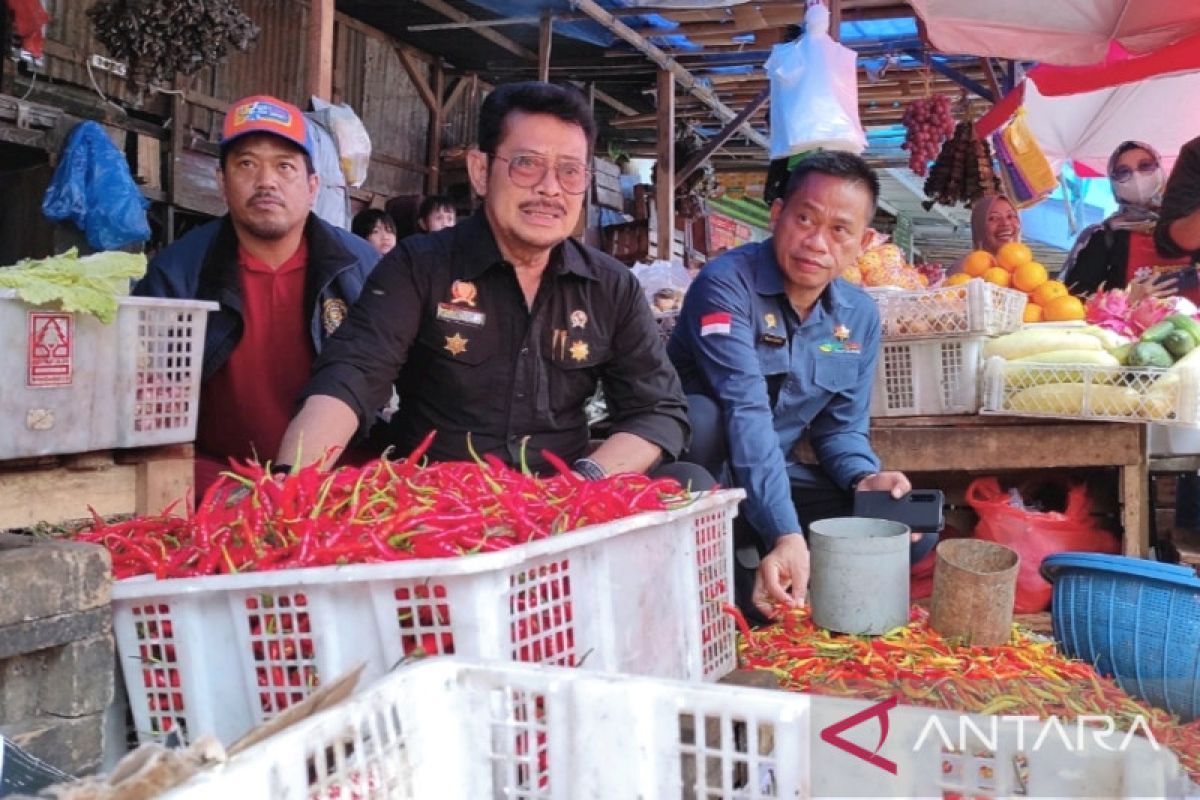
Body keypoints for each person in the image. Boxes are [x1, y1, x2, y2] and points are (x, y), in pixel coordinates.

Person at [275, 81, 694, 485]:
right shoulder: (418, 266)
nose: (550, 189)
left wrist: (583, 482)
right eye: (527, 164)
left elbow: (659, 409)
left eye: (569, 172)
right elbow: (350, 378)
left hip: (564, 513)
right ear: (480, 170)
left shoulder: (610, 286)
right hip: (435, 509)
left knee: (689, 480)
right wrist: (287, 482)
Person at [668, 151, 931, 625]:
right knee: (704, 418)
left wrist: (863, 480)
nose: (816, 242)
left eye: (839, 229)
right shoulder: (725, 284)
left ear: (864, 242)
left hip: (773, 482)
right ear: (777, 214)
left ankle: (779, 579)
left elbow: (841, 429)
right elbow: (744, 413)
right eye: (805, 218)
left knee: (904, 524)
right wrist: (787, 532)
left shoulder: (858, 315)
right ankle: (748, 577)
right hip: (706, 480)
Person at [134, 94, 381, 496]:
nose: (266, 181)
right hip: (218, 487)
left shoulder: (363, 269)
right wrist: (220, 491)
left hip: (341, 487)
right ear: (222, 181)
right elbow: (145, 411)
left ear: (312, 185)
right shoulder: (177, 273)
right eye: (247, 164)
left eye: (284, 166)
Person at [1061, 141, 1192, 301]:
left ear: (1161, 171)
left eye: (1145, 166)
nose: (1136, 177)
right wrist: (1125, 299)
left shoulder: (1190, 225)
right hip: (1130, 325)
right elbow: (1072, 299)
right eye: (1123, 172)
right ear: (1113, 182)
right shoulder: (1104, 237)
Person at [949, 193, 1021, 274]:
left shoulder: (1028, 270)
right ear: (979, 227)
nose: (1005, 223)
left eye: (1011, 216)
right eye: (993, 218)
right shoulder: (963, 269)